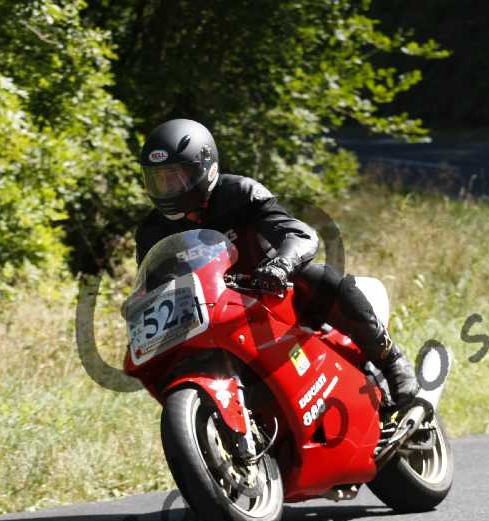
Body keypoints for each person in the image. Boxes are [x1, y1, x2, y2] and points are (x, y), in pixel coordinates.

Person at [134, 118, 419, 405]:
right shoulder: (152, 231)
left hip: (273, 292)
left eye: (176, 176)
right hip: (212, 314)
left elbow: (299, 234)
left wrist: (281, 265)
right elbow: (152, 288)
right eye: (158, 179)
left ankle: (392, 361)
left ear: (205, 168)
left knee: (319, 277)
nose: (167, 187)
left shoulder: (240, 193)